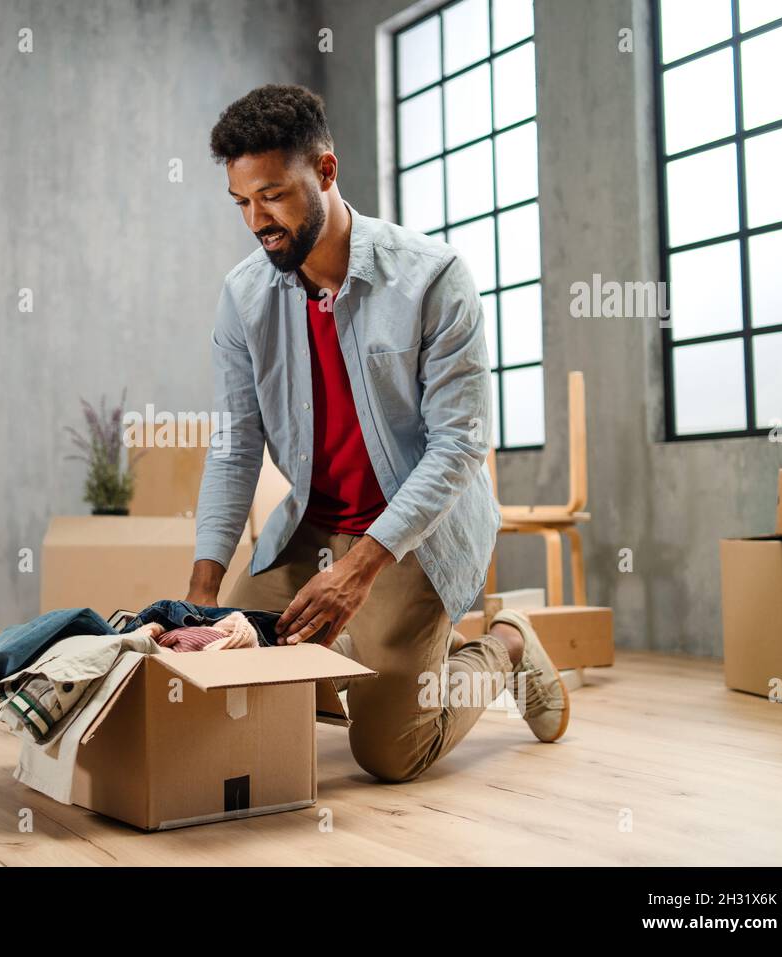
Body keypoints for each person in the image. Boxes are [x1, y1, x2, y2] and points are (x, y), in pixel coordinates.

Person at [187, 84, 569, 783]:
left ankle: (508, 643)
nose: (256, 221)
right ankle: (399, 647)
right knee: (221, 678)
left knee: (391, 752)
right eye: (242, 202)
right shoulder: (244, 297)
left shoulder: (434, 280)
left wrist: (360, 573)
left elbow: (458, 447)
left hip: (407, 536)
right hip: (311, 529)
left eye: (272, 195)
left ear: (326, 172)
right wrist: (202, 590)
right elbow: (235, 445)